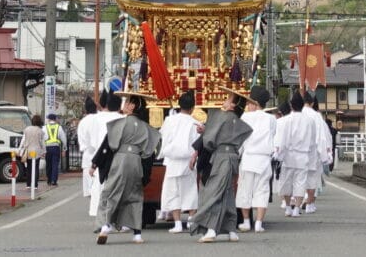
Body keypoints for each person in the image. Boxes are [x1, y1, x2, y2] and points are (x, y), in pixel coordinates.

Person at [93, 92, 161, 245]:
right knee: (135, 196)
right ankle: (137, 234)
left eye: (127, 102)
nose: (124, 104)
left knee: (111, 192)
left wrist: (95, 163)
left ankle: (106, 225)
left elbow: (109, 145)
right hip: (137, 161)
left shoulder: (120, 123)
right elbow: (151, 149)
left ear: (132, 106)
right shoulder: (145, 126)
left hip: (121, 159)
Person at [189, 88, 253, 243]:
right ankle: (231, 229)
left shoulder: (221, 117)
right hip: (232, 157)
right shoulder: (238, 121)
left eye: (229, 98)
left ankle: (211, 229)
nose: (225, 100)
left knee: (215, 191)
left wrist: (206, 131)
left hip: (221, 157)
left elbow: (210, 140)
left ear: (232, 105)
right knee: (227, 193)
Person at [236, 85, 276, 234]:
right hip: (264, 159)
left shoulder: (245, 117)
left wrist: (238, 153)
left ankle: (246, 222)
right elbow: (273, 136)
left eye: (249, 102)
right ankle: (259, 223)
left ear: (254, 103)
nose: (247, 105)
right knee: (262, 191)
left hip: (248, 158)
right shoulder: (271, 119)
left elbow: (240, 139)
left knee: (245, 190)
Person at [159, 91, 200, 233]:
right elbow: (197, 145)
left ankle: (177, 223)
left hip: (172, 160)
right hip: (188, 161)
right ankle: (191, 220)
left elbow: (163, 137)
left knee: (173, 192)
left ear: (179, 105)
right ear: (193, 107)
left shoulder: (169, 121)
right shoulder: (196, 123)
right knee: (190, 191)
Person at [274, 91, 314, 217]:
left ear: (291, 105)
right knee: (300, 182)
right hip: (303, 155)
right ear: (302, 105)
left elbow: (281, 140)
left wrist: (278, 154)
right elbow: (313, 140)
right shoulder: (309, 121)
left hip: (288, 155)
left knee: (286, 182)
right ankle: (297, 208)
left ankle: (287, 207)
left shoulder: (285, 120)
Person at [88, 93, 124, 217]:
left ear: (107, 104)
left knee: (100, 186)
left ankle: (99, 214)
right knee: (117, 186)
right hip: (119, 156)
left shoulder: (96, 118)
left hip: (100, 156)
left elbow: (92, 141)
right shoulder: (123, 118)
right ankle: (116, 215)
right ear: (120, 106)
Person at [77, 96, 100, 199]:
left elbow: (81, 141)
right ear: (96, 108)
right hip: (100, 155)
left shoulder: (82, 122)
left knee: (90, 188)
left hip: (87, 155)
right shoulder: (100, 119)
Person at [19, 114, 46, 189]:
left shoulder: (27, 129)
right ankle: (35, 185)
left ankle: (28, 184)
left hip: (28, 151)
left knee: (29, 168)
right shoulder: (40, 131)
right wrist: (44, 151)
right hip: (37, 151)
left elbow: (23, 140)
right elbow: (42, 143)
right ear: (39, 122)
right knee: (36, 168)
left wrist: (19, 149)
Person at [44, 113, 67, 187]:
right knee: (55, 165)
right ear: (54, 119)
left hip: (47, 148)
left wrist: (42, 149)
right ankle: (54, 181)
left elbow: (42, 138)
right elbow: (64, 139)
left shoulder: (45, 127)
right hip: (56, 148)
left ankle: (49, 180)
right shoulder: (59, 127)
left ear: (49, 119)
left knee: (48, 165)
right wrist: (64, 148)